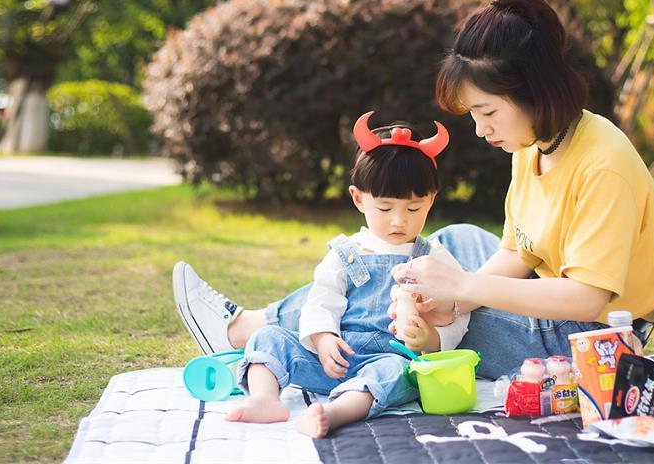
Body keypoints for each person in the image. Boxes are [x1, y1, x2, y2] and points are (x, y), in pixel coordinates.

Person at [174, 0, 654, 383]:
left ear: (534, 94)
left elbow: (588, 298)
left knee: (400, 289)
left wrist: (461, 289)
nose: (480, 130)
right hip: (557, 302)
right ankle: (262, 323)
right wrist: (454, 295)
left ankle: (245, 330)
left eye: (487, 112)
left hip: (594, 338)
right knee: (436, 251)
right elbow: (521, 253)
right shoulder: (538, 144)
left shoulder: (600, 162)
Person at [183, 111, 469, 437]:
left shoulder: (433, 257)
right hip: (334, 356)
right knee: (267, 336)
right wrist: (323, 338)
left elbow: (459, 311)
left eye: (413, 208)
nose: (398, 221)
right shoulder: (347, 253)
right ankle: (265, 399)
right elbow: (320, 302)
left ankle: (335, 413)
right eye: (386, 208)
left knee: (397, 372)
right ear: (359, 198)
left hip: (387, 360)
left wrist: (432, 340)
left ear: (431, 200)